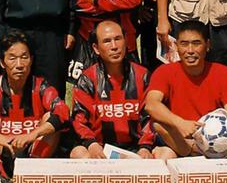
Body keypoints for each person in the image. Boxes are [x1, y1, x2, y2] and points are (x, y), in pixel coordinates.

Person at [0, 32, 69, 183]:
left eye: (24, 57)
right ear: (2, 62)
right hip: (3, 150)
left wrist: (32, 134)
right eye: (12, 58)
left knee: (50, 119)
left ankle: (31, 173)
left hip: (32, 150)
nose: (19, 64)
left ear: (32, 60)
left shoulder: (41, 86)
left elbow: (63, 112)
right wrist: (1, 139)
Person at [70, 21, 170, 159]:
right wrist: (91, 144)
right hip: (100, 150)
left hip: (137, 149)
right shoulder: (87, 79)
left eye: (118, 39)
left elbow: (150, 117)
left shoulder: (142, 75)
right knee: (78, 153)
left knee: (166, 153)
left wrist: (145, 146)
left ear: (126, 41)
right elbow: (79, 120)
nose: (114, 46)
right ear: (96, 48)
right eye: (107, 41)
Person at [144, 21, 227, 157]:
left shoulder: (225, 73)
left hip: (218, 138)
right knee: (159, 126)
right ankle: (195, 150)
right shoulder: (163, 72)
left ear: (207, 45)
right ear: (176, 46)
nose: (190, 50)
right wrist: (181, 124)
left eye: (196, 43)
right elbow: (151, 105)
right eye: (184, 44)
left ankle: (225, 153)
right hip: (181, 138)